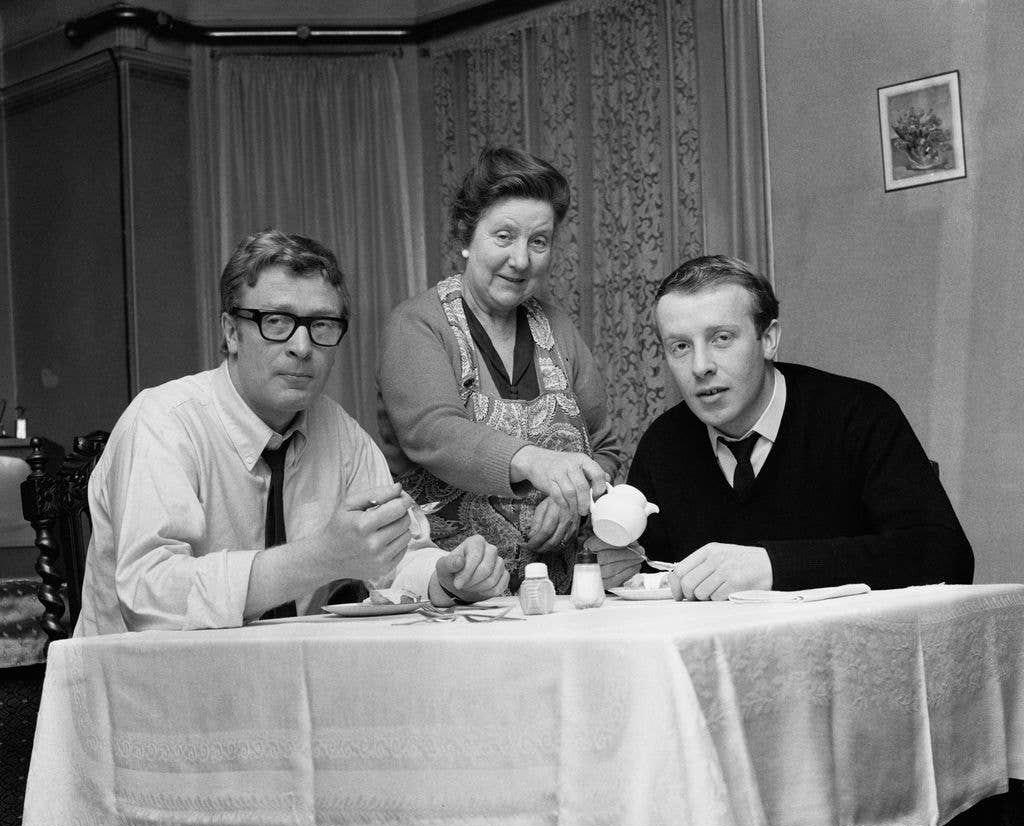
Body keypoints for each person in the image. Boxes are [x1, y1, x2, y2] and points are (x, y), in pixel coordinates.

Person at [76, 229, 509, 636]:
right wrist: (317, 558)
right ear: (231, 333)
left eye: (321, 325)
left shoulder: (341, 434)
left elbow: (396, 560)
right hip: (144, 694)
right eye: (277, 321)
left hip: (280, 687)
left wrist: (446, 578)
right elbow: (150, 597)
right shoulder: (163, 423)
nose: (302, 347)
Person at [589, 255, 974, 598]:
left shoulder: (858, 414)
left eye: (721, 338)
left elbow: (946, 555)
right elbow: (656, 574)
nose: (700, 366)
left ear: (769, 339)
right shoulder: (664, 444)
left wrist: (773, 567)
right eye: (680, 346)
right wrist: (623, 568)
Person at [377, 146, 623, 593]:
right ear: (466, 236)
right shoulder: (418, 326)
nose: (522, 259)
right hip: (452, 599)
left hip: (558, 603)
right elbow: (433, 433)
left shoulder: (559, 329)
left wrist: (572, 499)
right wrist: (534, 461)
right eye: (504, 236)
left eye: (539, 241)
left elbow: (604, 447)